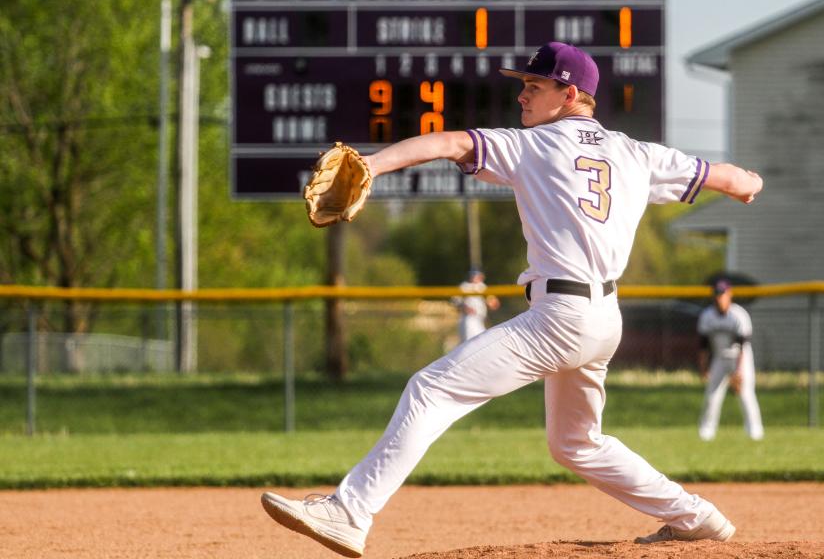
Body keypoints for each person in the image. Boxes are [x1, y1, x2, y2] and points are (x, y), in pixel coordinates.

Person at [260, 41, 764, 556]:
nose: (522, 96)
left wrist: (373, 163)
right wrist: (749, 183)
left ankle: (349, 512)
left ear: (569, 93)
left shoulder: (533, 146)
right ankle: (696, 516)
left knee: (432, 389)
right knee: (575, 443)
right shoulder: (637, 152)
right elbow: (728, 178)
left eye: (533, 86)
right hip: (604, 320)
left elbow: (450, 142)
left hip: (559, 318)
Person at [697, 279, 764, 441]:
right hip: (720, 358)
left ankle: (755, 430)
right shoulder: (707, 316)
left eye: (722, 294)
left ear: (729, 295)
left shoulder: (739, 315)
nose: (719, 298)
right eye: (717, 295)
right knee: (712, 395)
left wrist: (739, 371)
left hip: (740, 357)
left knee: (746, 393)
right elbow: (704, 346)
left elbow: (742, 346)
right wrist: (704, 367)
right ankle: (707, 429)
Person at [452, 268, 500, 346]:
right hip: (468, 319)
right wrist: (465, 308)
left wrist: (491, 303)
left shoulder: (482, 286)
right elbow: (455, 301)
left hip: (480, 319)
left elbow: (494, 303)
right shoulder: (464, 286)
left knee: (481, 342)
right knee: (470, 343)